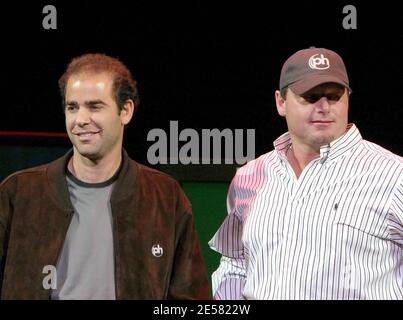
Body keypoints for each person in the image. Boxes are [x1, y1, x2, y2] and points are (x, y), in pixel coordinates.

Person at [0, 53, 209, 299]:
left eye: (94, 106)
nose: (80, 120)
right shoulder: (19, 192)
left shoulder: (165, 196)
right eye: (72, 107)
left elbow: (189, 296)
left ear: (126, 111)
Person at [209, 47, 403, 300]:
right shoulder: (250, 176)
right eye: (310, 97)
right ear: (281, 102)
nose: (323, 106)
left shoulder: (393, 175)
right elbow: (235, 263)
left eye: (334, 96)